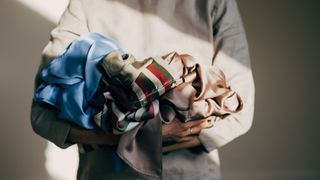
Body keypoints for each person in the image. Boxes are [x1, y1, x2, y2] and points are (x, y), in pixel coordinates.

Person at [31, 0, 255, 179]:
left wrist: (122, 133)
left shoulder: (215, 3)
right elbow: (42, 116)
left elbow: (240, 112)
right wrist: (154, 134)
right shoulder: (86, 4)